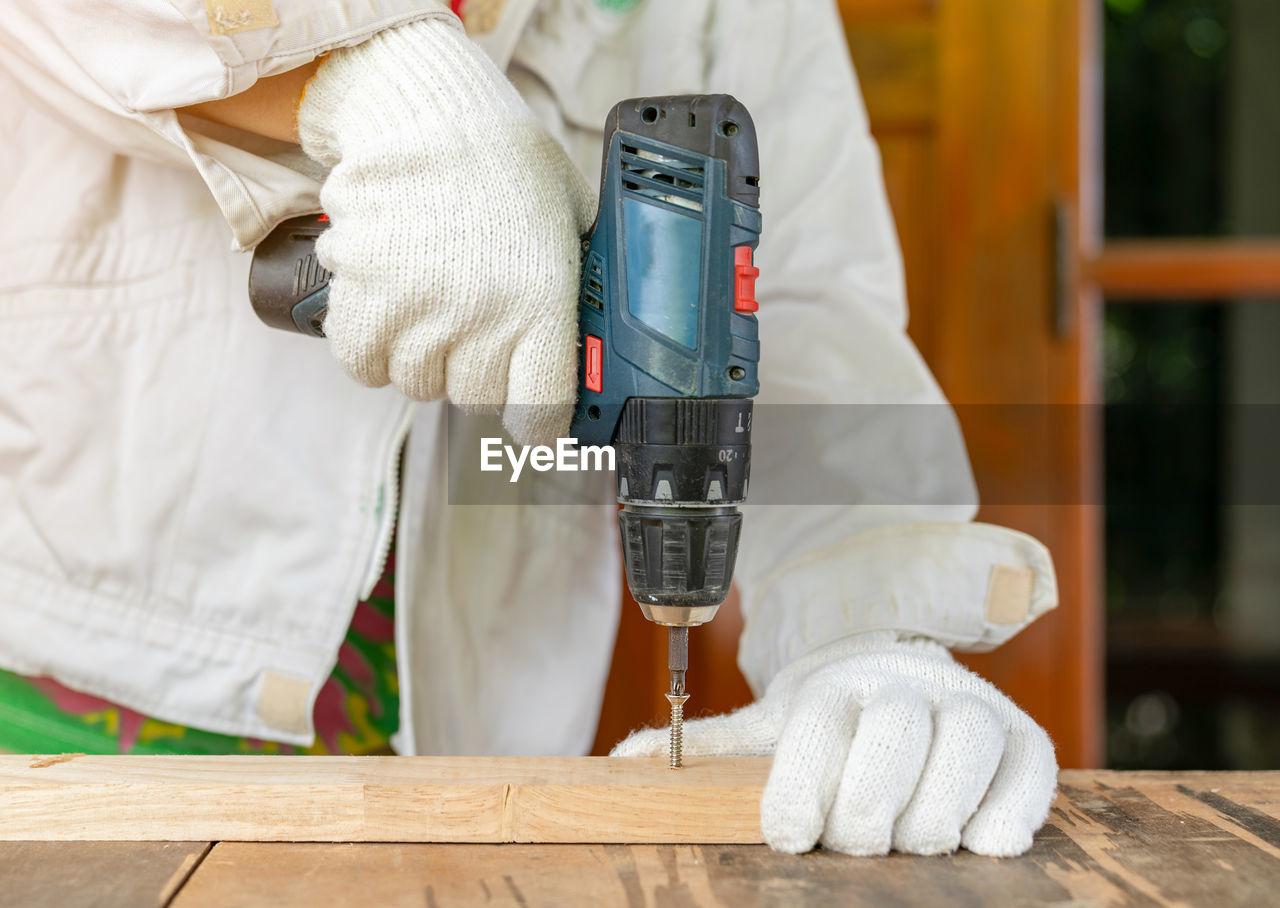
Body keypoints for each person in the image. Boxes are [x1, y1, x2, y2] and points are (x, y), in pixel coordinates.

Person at [0, 0, 1059, 856]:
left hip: (474, 759)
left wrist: (863, 632)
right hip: (63, 703)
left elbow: (803, 309)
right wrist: (384, 76)